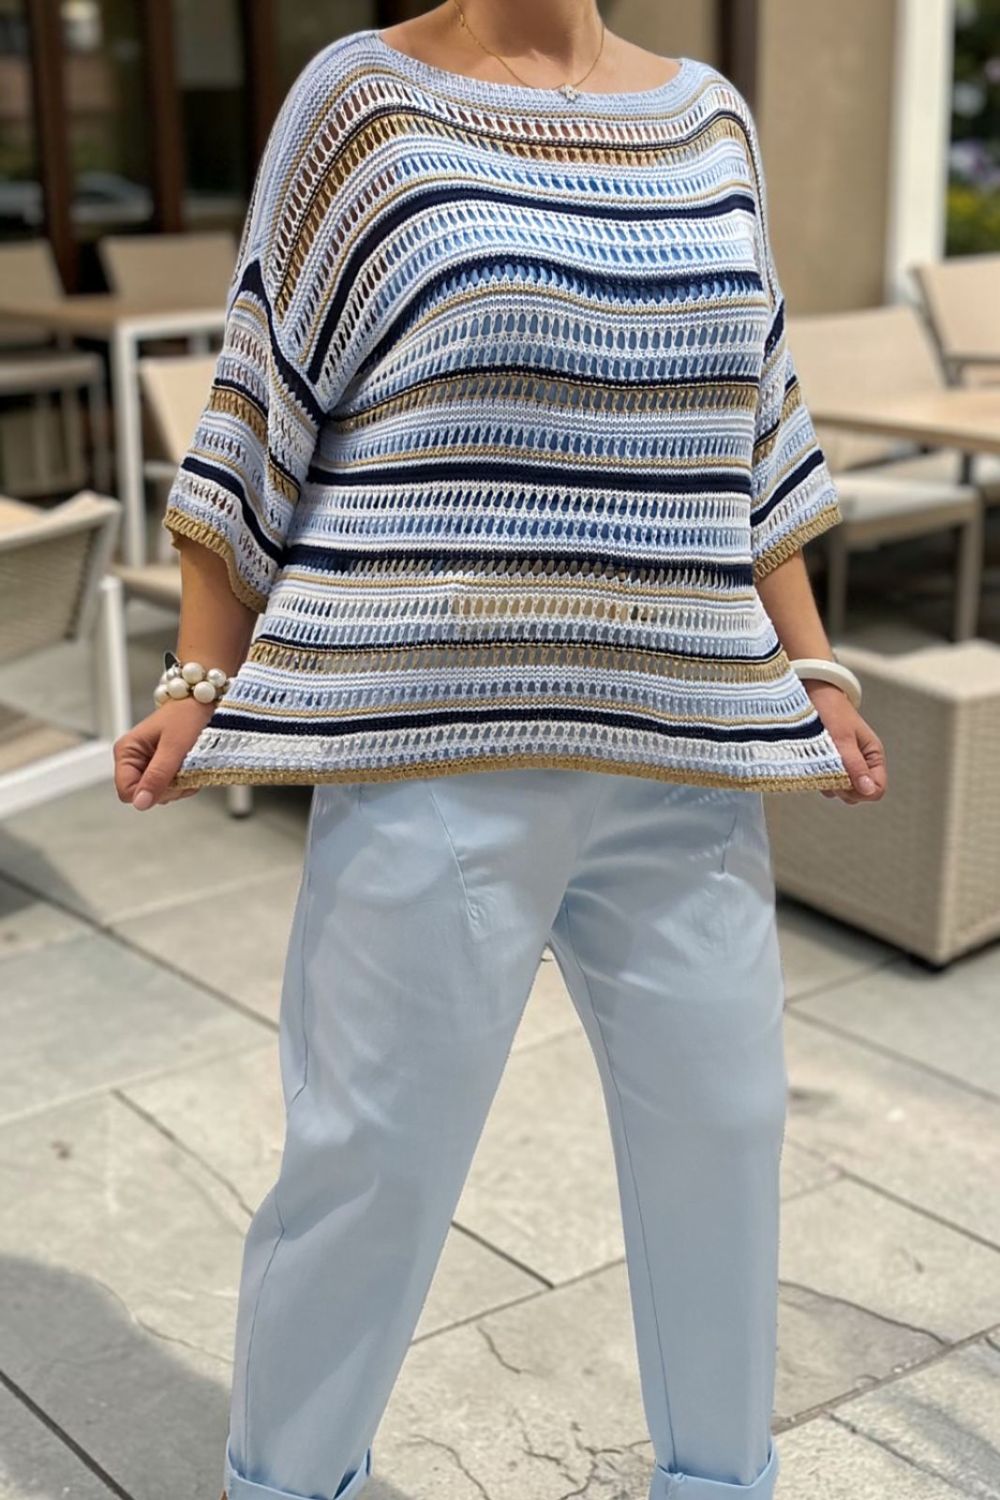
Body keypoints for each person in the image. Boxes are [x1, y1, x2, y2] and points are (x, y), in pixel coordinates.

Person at [113, 5, 888, 1498]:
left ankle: (719, 1482)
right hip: (433, 745)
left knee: (725, 1137)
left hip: (686, 745)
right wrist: (201, 673)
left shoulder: (710, 120)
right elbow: (261, 396)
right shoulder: (363, 102)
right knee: (377, 1164)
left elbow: (757, 418)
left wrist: (814, 662)